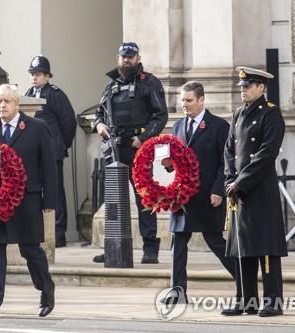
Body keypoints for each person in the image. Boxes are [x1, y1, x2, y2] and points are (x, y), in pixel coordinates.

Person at [0, 84, 57, 318]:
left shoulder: (37, 128)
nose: (2, 106)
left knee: (30, 250)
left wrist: (49, 199)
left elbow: (49, 167)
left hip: (26, 198)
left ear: (17, 104)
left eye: (6, 101)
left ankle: (45, 288)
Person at [160, 81, 236, 304]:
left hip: (207, 196)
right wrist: (167, 164)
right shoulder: (178, 127)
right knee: (178, 244)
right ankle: (177, 292)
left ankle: (244, 281)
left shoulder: (219, 126)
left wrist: (218, 191)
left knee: (215, 242)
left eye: (189, 100)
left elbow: (226, 163)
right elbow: (176, 162)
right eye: (182, 100)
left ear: (201, 100)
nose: (184, 105)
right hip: (182, 198)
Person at [93, 42, 168, 264]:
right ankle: (113, 248)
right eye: (123, 57)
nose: (126, 60)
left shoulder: (149, 82)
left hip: (138, 149)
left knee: (144, 198)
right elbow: (98, 113)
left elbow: (160, 115)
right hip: (114, 149)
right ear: (118, 58)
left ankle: (150, 248)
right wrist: (98, 126)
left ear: (137, 58)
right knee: (114, 201)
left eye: (130, 57)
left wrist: (143, 139)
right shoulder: (110, 86)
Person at [222, 67, 287, 317]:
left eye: (247, 86)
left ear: (261, 88)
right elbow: (229, 151)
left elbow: (266, 153)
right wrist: (230, 179)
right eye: (241, 86)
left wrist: (242, 181)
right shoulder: (238, 114)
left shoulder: (271, 113)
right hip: (238, 191)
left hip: (259, 189)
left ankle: (272, 301)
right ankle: (245, 300)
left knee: (265, 247)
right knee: (242, 248)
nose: (243, 90)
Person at [25, 55, 77, 248]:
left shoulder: (56, 94)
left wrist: (61, 145)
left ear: (47, 76)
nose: (34, 78)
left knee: (54, 191)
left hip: (52, 149)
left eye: (38, 74)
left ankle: (58, 231)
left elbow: (68, 122)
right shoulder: (28, 94)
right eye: (32, 74)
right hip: (34, 151)